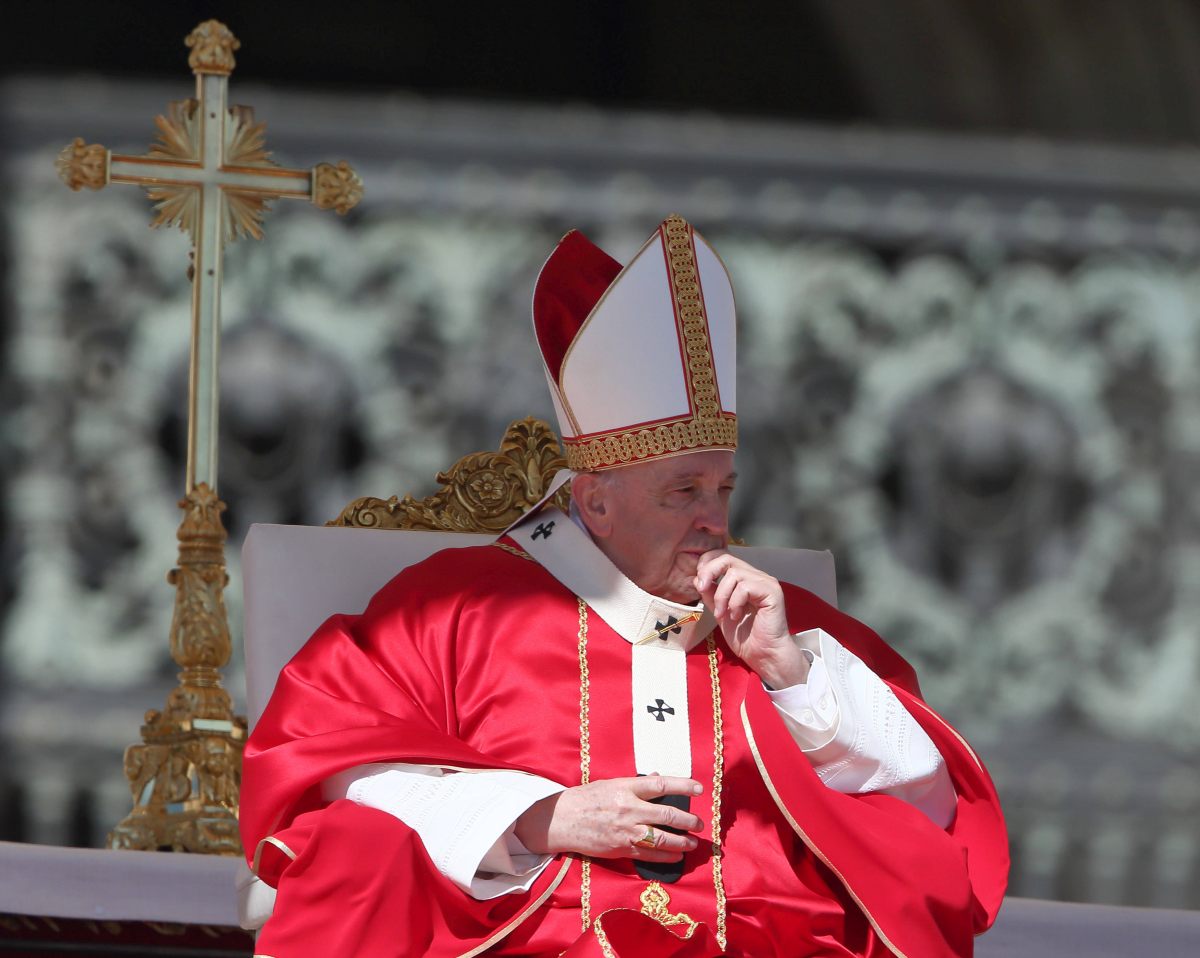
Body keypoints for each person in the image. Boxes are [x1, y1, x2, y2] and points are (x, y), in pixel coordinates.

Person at [241, 215, 1008, 957]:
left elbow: (933, 816)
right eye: (684, 493)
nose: (714, 520)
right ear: (596, 501)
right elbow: (327, 774)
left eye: (723, 489)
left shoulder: (776, 626)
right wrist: (541, 817)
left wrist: (792, 677)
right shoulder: (459, 609)